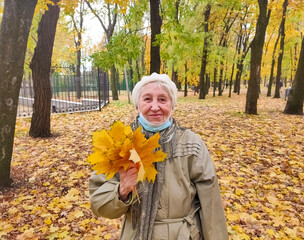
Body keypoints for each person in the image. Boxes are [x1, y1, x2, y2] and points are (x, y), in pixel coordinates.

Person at [89, 73, 228, 240]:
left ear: (172, 105)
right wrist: (122, 191)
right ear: (137, 104)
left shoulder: (191, 144)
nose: (155, 107)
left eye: (162, 99)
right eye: (147, 99)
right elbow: (100, 205)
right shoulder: (120, 144)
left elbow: (210, 203)